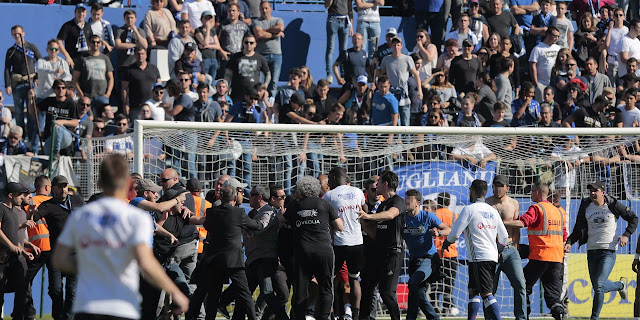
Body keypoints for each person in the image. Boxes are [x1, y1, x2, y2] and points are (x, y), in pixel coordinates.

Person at [52, 153, 189, 320]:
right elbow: (147, 263)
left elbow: (60, 260)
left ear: (99, 182)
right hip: (122, 305)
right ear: (128, 183)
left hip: (88, 305)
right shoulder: (136, 218)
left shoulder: (81, 215)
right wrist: (176, 292)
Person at [565, 180, 637, 320]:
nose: (592, 193)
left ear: (603, 192)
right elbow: (578, 228)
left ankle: (594, 318)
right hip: (591, 251)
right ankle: (620, 285)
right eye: (590, 190)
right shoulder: (586, 206)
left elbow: (633, 219)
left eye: (595, 190)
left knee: (599, 286)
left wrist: (626, 235)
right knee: (599, 287)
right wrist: (569, 242)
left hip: (608, 251)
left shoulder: (613, 204)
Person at [442, 179, 508, 320]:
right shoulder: (493, 211)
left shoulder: (469, 209)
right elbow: (504, 236)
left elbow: (454, 233)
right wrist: (498, 251)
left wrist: (446, 243)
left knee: (486, 293)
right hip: (488, 256)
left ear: (472, 191)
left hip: (479, 257)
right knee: (473, 291)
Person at [199, 179, 264, 320]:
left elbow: (208, 226)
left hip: (215, 258)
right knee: (245, 293)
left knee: (214, 293)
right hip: (233, 259)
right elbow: (257, 226)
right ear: (235, 197)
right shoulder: (238, 213)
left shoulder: (211, 212)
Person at [282, 176, 344, 320]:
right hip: (324, 251)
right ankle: (324, 317)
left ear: (300, 190)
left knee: (301, 290)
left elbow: (283, 219)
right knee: (326, 288)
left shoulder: (295, 206)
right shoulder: (325, 204)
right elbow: (340, 227)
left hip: (303, 251)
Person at [503, 182, 567, 320]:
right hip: (557, 257)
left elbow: (523, 223)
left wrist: (502, 223)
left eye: (532, 191)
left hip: (541, 255)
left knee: (523, 285)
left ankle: (523, 315)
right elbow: (564, 234)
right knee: (554, 298)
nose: (530, 194)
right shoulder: (558, 211)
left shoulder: (537, 208)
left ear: (538, 192)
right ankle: (559, 313)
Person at [30, 175, 85, 320]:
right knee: (55, 290)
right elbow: (33, 217)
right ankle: (58, 316)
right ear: (52, 188)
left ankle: (66, 317)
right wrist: (30, 213)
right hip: (56, 254)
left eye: (65, 186)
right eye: (60, 186)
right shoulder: (48, 205)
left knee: (71, 290)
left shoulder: (77, 200)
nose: (63, 189)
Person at [357, 170, 405, 320]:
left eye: (378, 183)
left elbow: (391, 215)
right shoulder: (382, 204)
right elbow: (373, 233)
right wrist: (361, 219)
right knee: (367, 287)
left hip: (393, 253)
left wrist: (368, 216)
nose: (376, 186)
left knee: (386, 292)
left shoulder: (398, 201)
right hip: (378, 253)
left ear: (385, 184)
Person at [323, 167, 366, 320]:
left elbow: (325, 219)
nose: (328, 182)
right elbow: (364, 212)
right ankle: (355, 315)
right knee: (354, 279)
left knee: (331, 279)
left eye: (329, 178)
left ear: (334, 178)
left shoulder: (329, 195)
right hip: (357, 242)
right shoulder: (358, 192)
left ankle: (331, 313)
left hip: (339, 243)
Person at [402, 189, 451, 320]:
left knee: (413, 284)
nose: (406, 202)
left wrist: (438, 233)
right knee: (415, 293)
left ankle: (434, 317)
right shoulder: (402, 217)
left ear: (418, 202)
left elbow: (448, 229)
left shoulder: (427, 216)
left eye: (410, 200)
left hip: (429, 259)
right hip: (413, 260)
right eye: (405, 199)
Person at [0, 182, 36, 320]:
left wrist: (24, 251)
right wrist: (10, 246)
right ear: (10, 195)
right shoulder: (1, 208)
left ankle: (18, 317)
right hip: (2, 259)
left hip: (14, 259)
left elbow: (15, 238)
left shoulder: (14, 214)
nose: (22, 197)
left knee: (22, 289)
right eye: (19, 194)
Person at [379, 36, 422, 126]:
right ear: (391, 46)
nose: (396, 47)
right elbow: (381, 75)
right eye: (394, 45)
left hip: (403, 93)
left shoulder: (407, 59)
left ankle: (406, 140)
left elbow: (415, 75)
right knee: (394, 120)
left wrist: (420, 90)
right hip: (391, 93)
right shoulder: (386, 59)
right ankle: (396, 139)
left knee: (405, 119)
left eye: (398, 45)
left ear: (401, 46)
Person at [34, 79, 80, 156]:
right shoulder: (49, 101)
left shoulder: (71, 103)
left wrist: (62, 122)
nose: (61, 90)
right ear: (54, 90)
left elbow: (76, 122)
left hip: (66, 137)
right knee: (48, 161)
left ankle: (56, 151)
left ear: (66, 90)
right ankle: (54, 153)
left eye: (63, 88)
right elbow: (33, 111)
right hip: (50, 137)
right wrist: (30, 99)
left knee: (57, 126)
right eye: (58, 88)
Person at [430, 192, 459, 316]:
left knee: (435, 282)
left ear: (438, 202)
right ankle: (447, 307)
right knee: (449, 282)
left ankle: (434, 305)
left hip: (436, 253)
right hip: (450, 253)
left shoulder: (433, 215)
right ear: (448, 202)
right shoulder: (454, 216)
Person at [224, 34, 270, 103]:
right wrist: (226, 87)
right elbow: (228, 73)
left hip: (254, 94)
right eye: (246, 42)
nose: (249, 44)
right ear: (243, 43)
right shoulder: (235, 57)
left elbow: (268, 74)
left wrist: (264, 87)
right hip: (237, 93)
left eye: (251, 43)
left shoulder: (260, 58)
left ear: (255, 44)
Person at [252, 1, 284, 96]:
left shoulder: (277, 20)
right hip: (261, 55)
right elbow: (259, 34)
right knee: (260, 82)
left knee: (274, 82)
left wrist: (265, 31)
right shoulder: (256, 21)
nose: (264, 11)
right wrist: (275, 34)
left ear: (271, 9)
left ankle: (271, 102)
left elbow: (280, 28)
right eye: (262, 8)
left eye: (266, 8)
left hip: (276, 55)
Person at [72, 34, 114, 106]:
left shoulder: (105, 58)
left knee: (103, 116)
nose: (95, 44)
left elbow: (110, 78)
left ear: (100, 43)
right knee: (87, 117)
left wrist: (108, 93)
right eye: (93, 42)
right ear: (89, 43)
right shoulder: (82, 58)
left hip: (102, 96)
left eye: (98, 42)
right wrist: (80, 93)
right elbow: (75, 78)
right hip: (87, 96)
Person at [121, 47, 161, 121]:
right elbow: (124, 89)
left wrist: (159, 100)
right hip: (136, 106)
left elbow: (159, 86)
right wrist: (125, 104)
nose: (140, 56)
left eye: (142, 54)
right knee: (137, 129)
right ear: (134, 55)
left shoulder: (154, 69)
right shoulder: (129, 70)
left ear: (146, 55)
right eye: (138, 54)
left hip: (153, 105)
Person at [323, 0, 352, 83]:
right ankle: (329, 73)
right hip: (333, 18)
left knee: (343, 50)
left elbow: (350, 8)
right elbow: (327, 6)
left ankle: (343, 74)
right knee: (330, 48)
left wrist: (351, 25)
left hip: (345, 20)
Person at [529, 27, 561, 101]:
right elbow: (532, 66)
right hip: (542, 83)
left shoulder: (558, 48)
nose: (556, 38)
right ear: (548, 35)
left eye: (558, 36)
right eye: (555, 36)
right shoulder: (537, 49)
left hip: (554, 84)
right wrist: (536, 84)